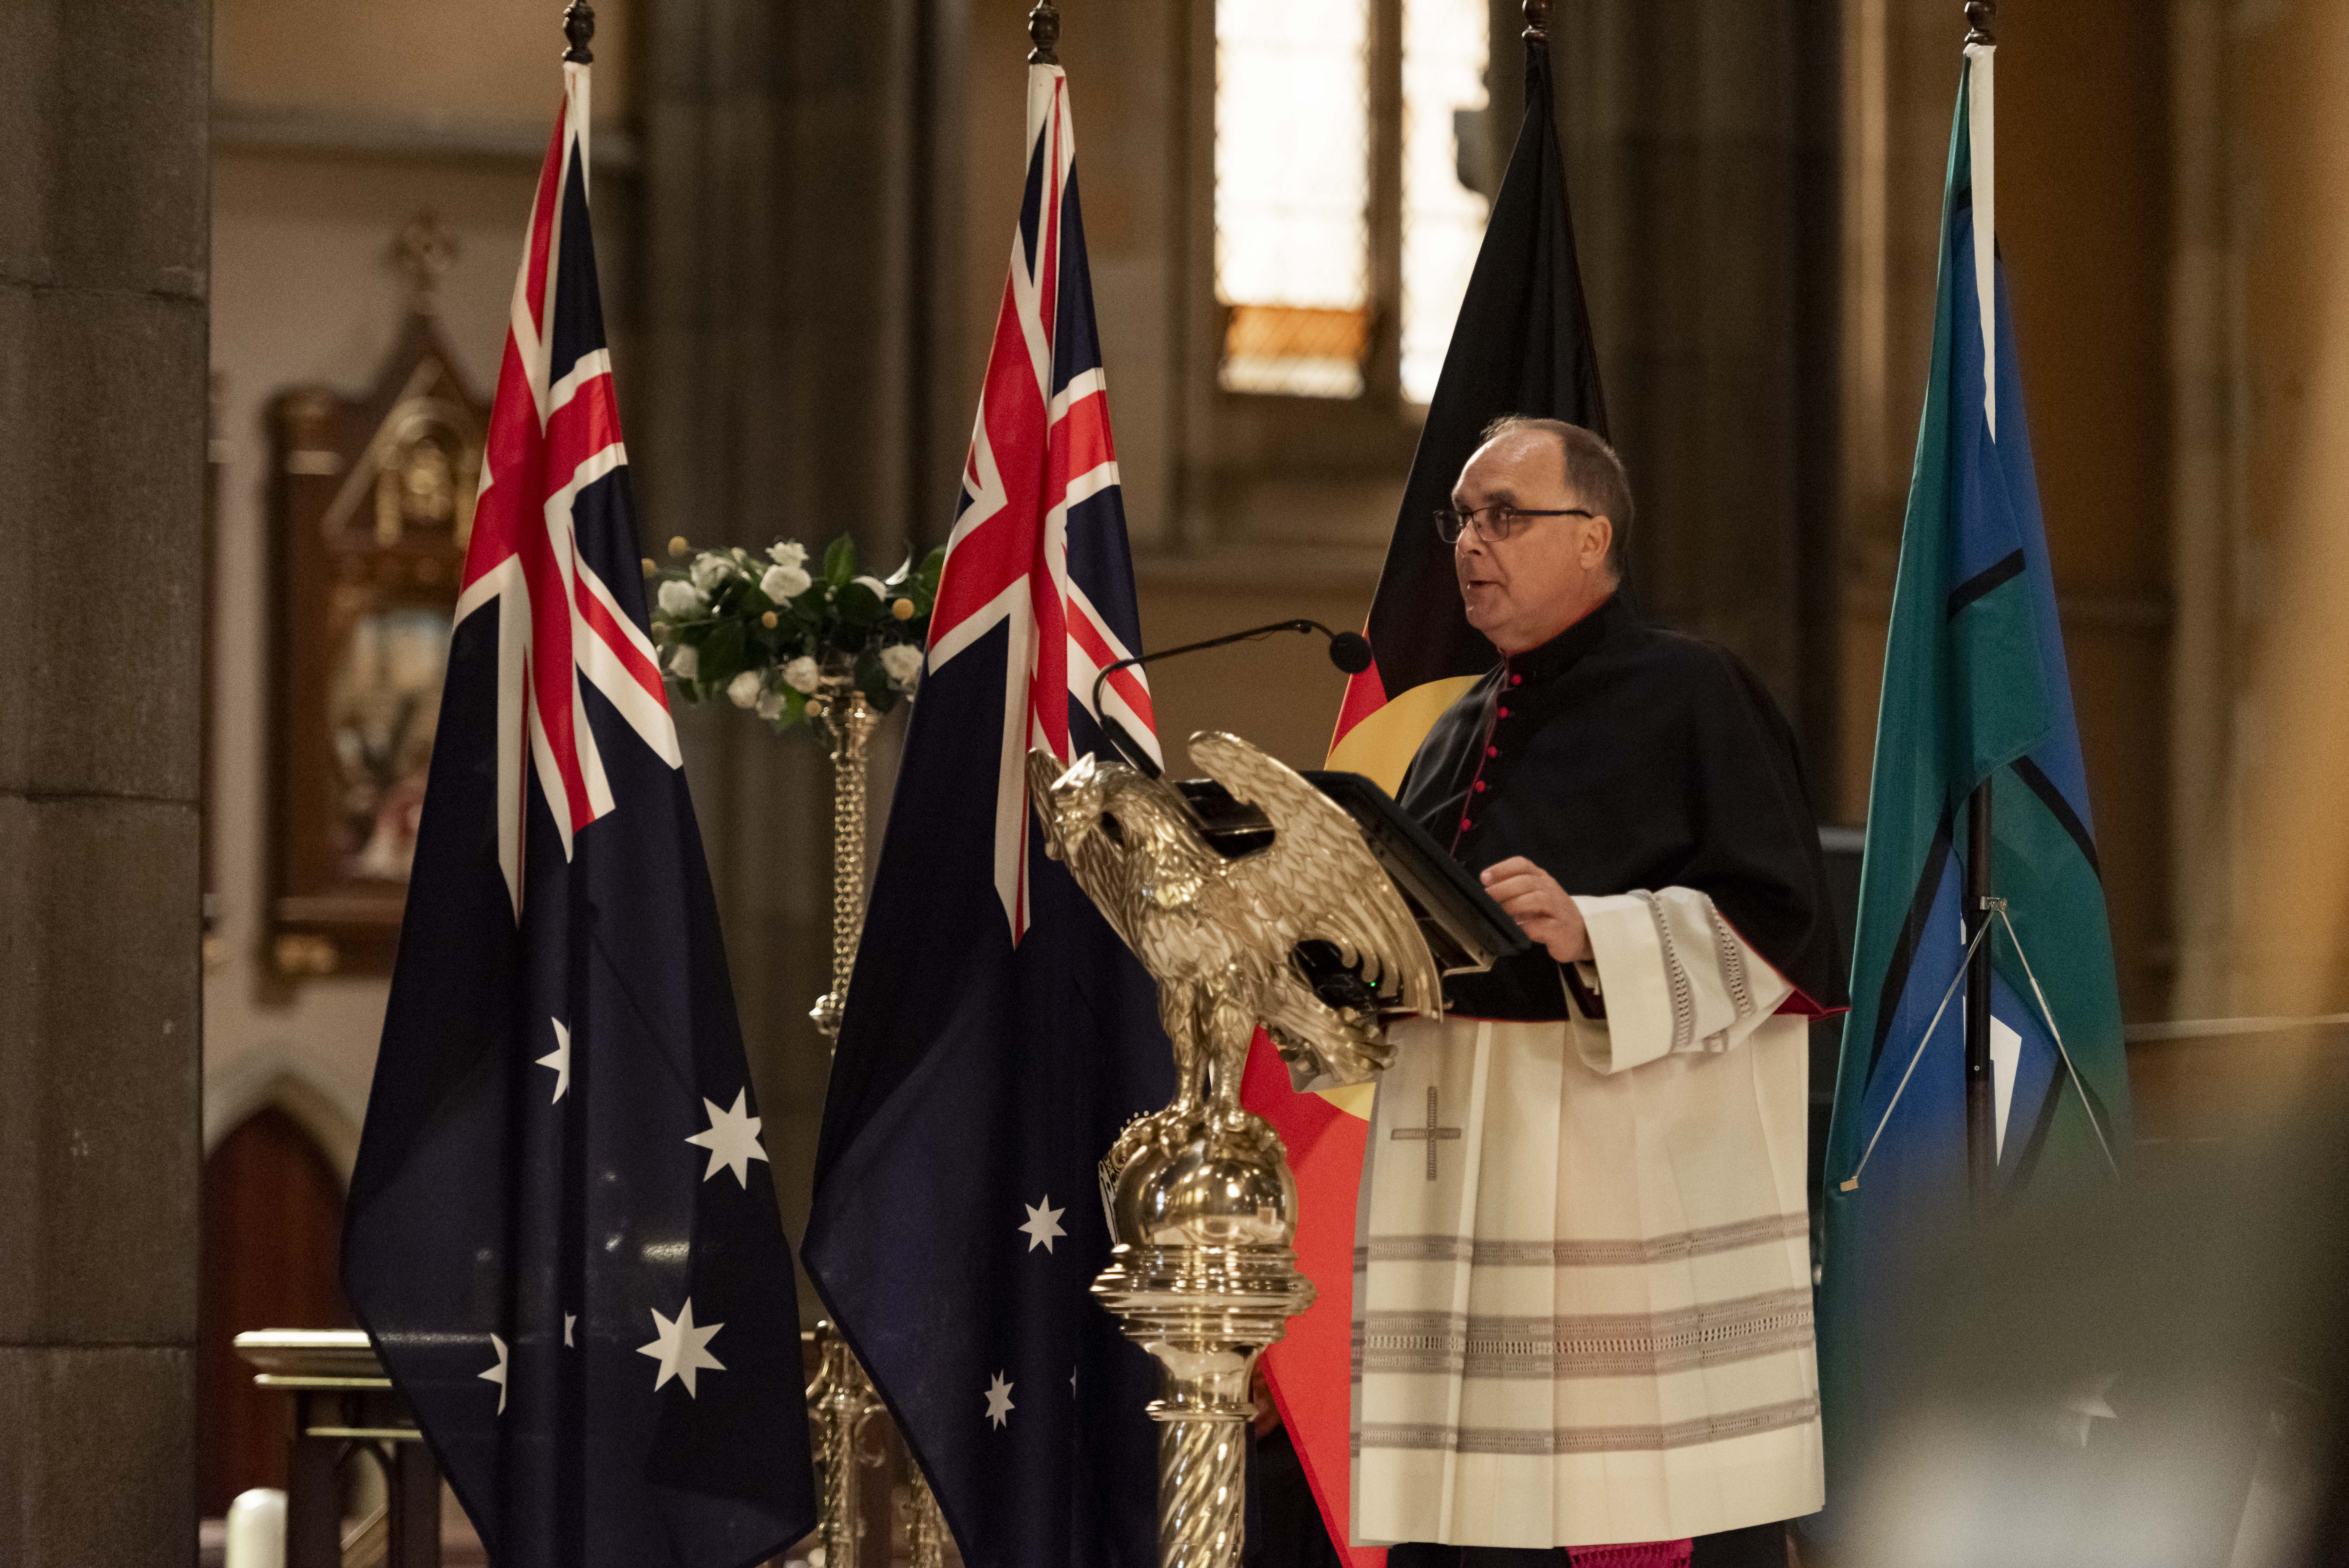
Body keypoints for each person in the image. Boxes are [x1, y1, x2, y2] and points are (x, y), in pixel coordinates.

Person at [1351, 416, 1847, 1568]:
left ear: (1594, 538)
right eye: (1463, 518)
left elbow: (1784, 930)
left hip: (1615, 1194)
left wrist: (1598, 934)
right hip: (1450, 1185)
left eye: (1506, 516)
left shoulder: (1693, 693)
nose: (1472, 541)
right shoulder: (1457, 728)